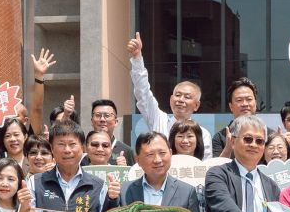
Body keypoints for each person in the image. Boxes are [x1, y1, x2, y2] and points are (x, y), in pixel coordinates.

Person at [127, 31, 213, 159]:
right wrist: (137, 58)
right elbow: (142, 92)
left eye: (187, 97)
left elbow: (205, 166)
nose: (181, 100)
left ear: (196, 105)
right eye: (178, 95)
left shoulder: (202, 133)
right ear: (171, 99)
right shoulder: (158, 119)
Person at [213, 77, 263, 158]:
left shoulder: (268, 134)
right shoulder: (220, 138)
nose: (245, 104)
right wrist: (228, 148)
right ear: (231, 106)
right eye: (239, 100)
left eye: (249, 99)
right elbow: (216, 167)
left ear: (256, 103)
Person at [90, 99, 135, 165]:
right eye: (98, 115)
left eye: (107, 115)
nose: (102, 119)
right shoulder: (84, 150)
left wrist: (124, 170)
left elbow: (133, 175)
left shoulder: (127, 151)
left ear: (116, 122)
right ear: (91, 121)